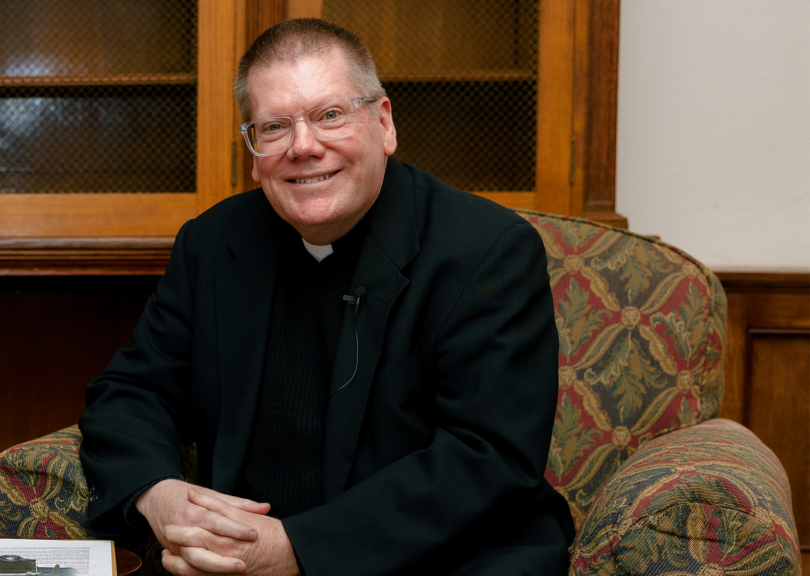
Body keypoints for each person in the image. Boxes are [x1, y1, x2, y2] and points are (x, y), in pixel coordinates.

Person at [79, 18, 574, 576]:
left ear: (384, 123)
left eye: (330, 115)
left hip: (444, 557)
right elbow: (132, 393)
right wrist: (160, 495)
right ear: (253, 149)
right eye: (274, 128)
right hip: (240, 562)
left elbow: (488, 457)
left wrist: (296, 549)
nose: (303, 147)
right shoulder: (214, 244)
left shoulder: (486, 250)